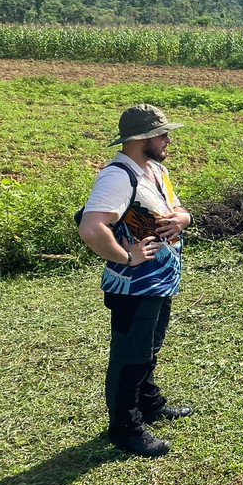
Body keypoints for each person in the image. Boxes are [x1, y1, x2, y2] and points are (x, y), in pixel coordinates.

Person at [78, 104, 192, 457]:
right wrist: (127, 257)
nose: (167, 139)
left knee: (148, 349)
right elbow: (91, 227)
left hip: (158, 281)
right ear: (141, 139)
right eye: (162, 134)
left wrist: (183, 220)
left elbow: (177, 209)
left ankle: (149, 403)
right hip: (134, 285)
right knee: (130, 357)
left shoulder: (154, 169)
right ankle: (125, 428)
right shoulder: (117, 177)